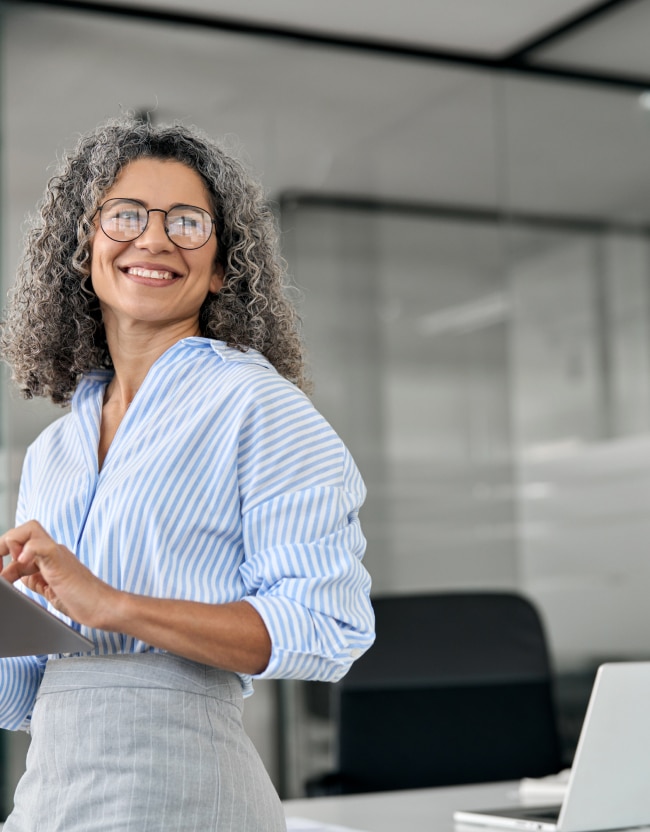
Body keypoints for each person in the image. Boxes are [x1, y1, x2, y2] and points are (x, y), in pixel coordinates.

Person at [0, 116, 375, 831]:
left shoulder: (257, 405)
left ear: (224, 264)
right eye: (126, 215)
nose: (155, 238)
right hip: (53, 798)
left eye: (188, 222)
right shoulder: (55, 448)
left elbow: (328, 627)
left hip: (183, 794)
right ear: (83, 248)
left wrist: (113, 604)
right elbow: (27, 695)